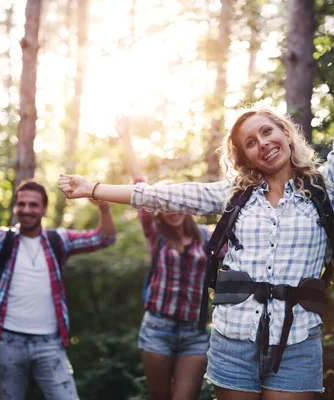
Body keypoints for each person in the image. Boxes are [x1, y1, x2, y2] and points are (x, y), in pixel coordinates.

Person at [58, 16, 334, 400]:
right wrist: (93, 187)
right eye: (250, 142)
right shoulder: (234, 196)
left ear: (286, 133)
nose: (263, 143)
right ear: (246, 157)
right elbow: (162, 195)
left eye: (267, 131)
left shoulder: (325, 187)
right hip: (233, 338)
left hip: (298, 342)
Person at [0, 173, 116, 400]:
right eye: (21, 204)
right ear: (15, 207)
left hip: (49, 344)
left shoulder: (59, 240)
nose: (26, 209)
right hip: (7, 342)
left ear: (44, 209)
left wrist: (104, 208)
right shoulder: (2, 240)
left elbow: (104, 239)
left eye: (33, 205)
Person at [116, 117, 211, 400]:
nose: (172, 209)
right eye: (165, 204)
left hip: (196, 332)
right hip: (158, 328)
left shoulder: (207, 237)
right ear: (158, 210)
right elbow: (139, 186)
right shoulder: (155, 234)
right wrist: (126, 138)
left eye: (176, 202)